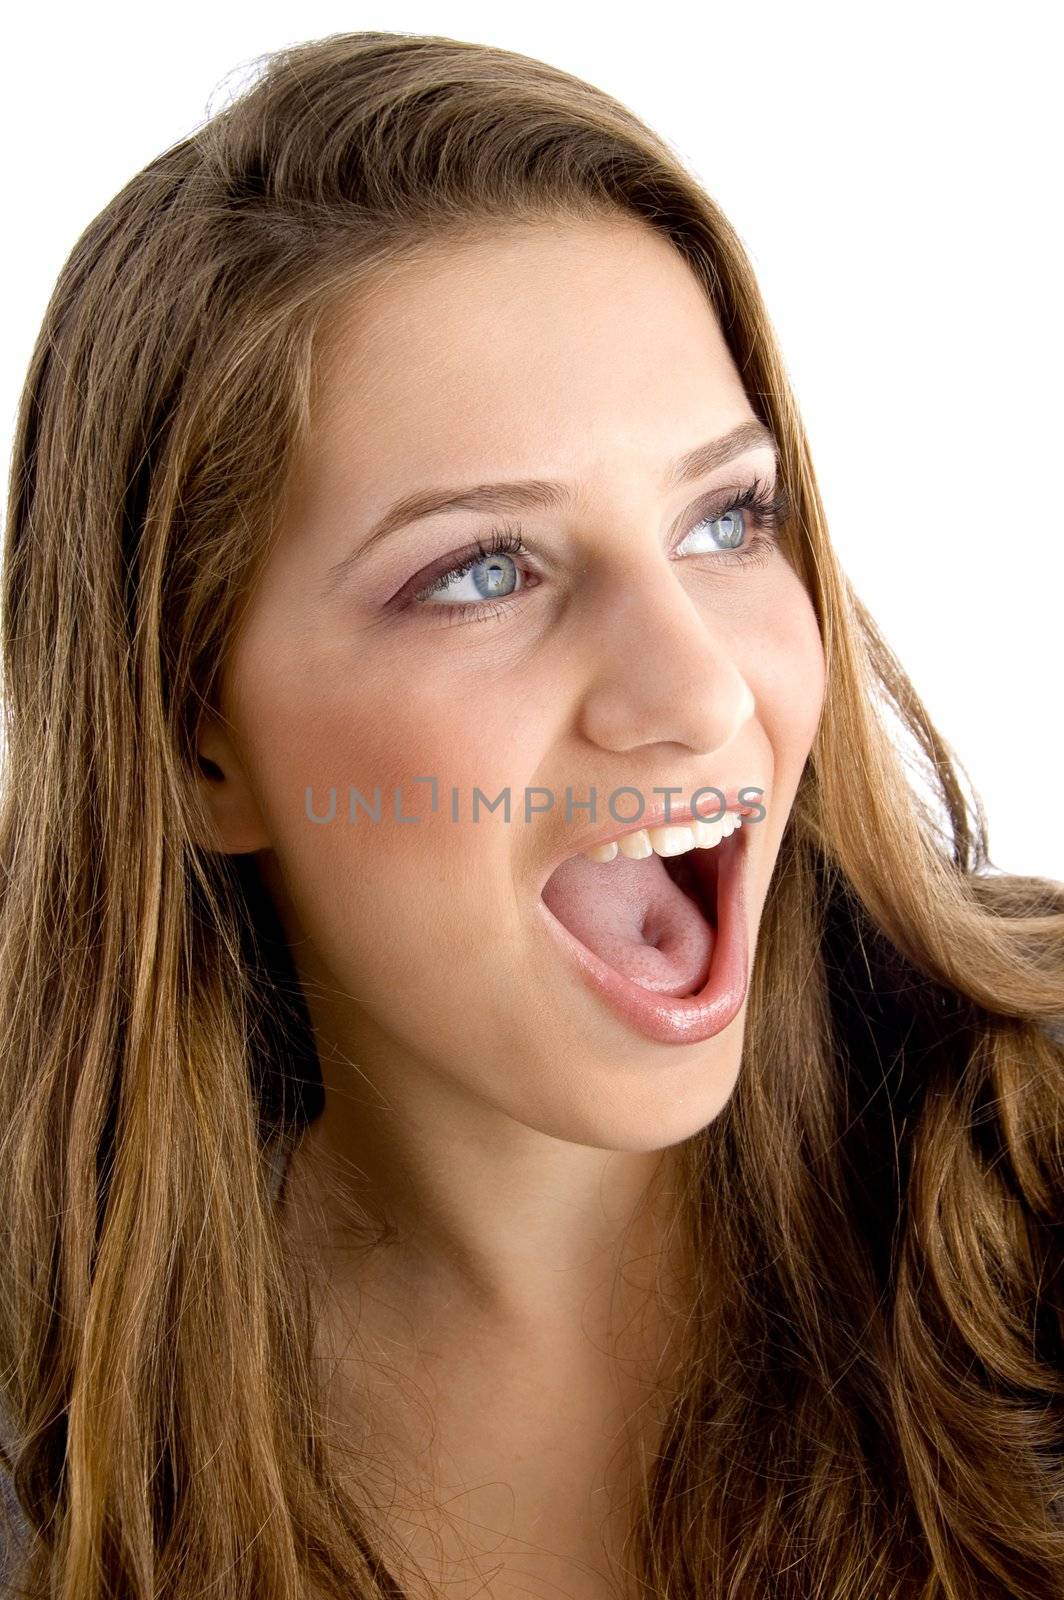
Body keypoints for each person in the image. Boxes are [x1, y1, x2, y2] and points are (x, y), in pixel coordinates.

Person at [1, 29, 1062, 1600]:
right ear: (195, 745)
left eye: (727, 518)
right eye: (484, 570)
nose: (697, 693)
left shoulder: (1029, 1193)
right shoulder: (48, 1452)